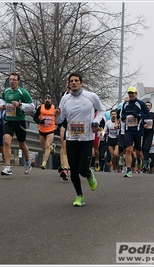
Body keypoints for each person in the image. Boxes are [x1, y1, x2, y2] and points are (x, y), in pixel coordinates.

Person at [55, 72, 106, 207]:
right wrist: (57, 116)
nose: (73, 83)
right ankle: (79, 196)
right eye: (71, 81)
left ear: (81, 83)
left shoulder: (91, 97)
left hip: (86, 138)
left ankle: (89, 175)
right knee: (74, 170)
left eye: (76, 80)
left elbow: (102, 110)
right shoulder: (65, 99)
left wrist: (95, 121)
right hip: (71, 138)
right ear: (68, 84)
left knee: (83, 169)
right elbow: (61, 119)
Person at [0, 72, 35, 176]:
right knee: (6, 142)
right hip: (8, 120)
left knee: (22, 144)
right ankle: (7, 167)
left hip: (19, 121)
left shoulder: (23, 92)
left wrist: (20, 104)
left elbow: (32, 107)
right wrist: (3, 106)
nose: (12, 81)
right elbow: (4, 101)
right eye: (10, 79)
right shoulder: (6, 91)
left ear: (18, 81)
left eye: (14, 79)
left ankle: (28, 161)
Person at [120, 87, 150, 178]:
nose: (131, 95)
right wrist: (126, 117)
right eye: (129, 93)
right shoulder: (125, 104)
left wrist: (139, 115)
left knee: (138, 151)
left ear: (136, 93)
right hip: (128, 130)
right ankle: (128, 169)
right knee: (129, 149)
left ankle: (139, 158)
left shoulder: (140, 103)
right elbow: (122, 116)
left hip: (138, 130)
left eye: (132, 93)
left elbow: (147, 114)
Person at [33, 93, 56, 169]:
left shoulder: (54, 108)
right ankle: (52, 147)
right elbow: (35, 117)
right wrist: (40, 121)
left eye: (48, 99)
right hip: (42, 130)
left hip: (51, 129)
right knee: (43, 147)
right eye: (46, 99)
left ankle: (44, 162)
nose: (47, 100)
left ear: (51, 100)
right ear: (44, 100)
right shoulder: (40, 108)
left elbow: (59, 117)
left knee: (47, 145)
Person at [141, 101, 154, 173]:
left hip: (149, 133)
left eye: (149, 105)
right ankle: (143, 162)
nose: (147, 106)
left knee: (146, 147)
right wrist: (142, 125)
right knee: (141, 149)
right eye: (146, 105)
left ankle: (145, 164)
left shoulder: (153, 115)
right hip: (141, 133)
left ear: (151, 107)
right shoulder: (141, 114)